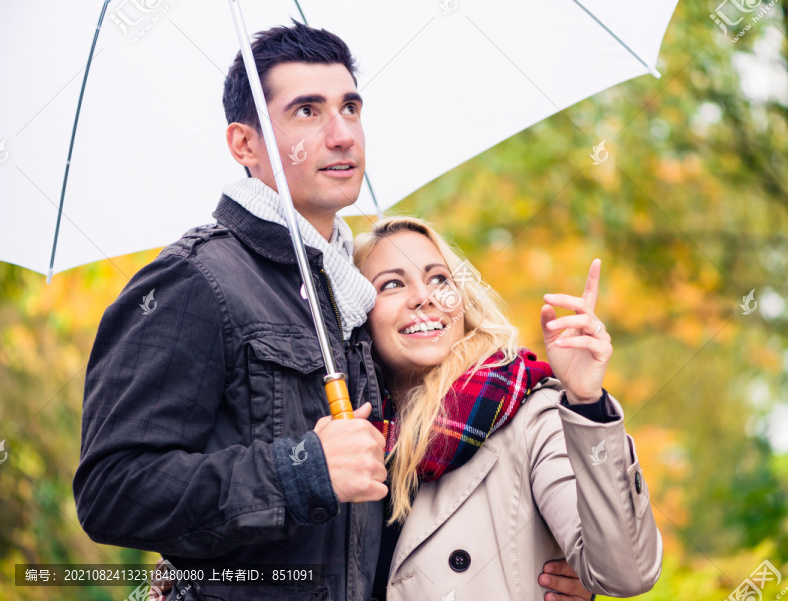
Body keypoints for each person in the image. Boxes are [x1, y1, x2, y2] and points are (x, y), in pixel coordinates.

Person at [75, 19, 595, 601]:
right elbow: (111, 491)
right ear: (244, 144)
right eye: (307, 111)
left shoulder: (353, 292)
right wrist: (302, 472)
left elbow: (389, 504)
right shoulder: (195, 280)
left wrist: (529, 564)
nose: (342, 134)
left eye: (350, 107)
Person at [347, 216, 663, 600]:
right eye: (392, 284)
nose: (424, 297)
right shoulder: (349, 445)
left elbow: (626, 571)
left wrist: (586, 404)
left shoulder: (530, 414)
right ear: (358, 314)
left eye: (438, 278)